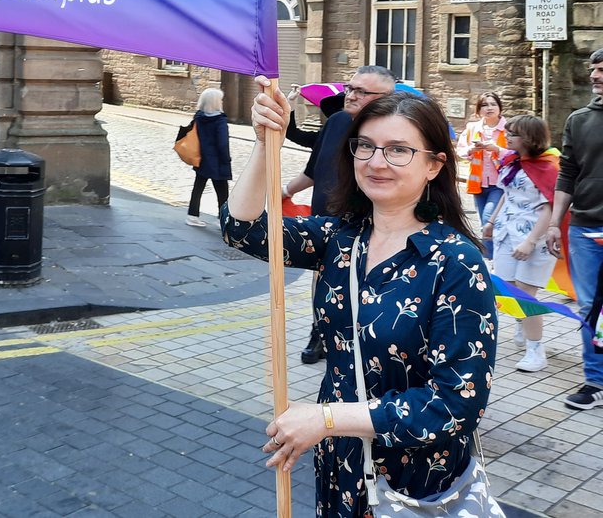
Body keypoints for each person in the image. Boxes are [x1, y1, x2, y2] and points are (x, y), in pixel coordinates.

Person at [225, 78, 496, 516]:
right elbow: (244, 230)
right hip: (339, 463)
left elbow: (455, 404)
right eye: (365, 146)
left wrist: (325, 419)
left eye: (398, 149)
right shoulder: (340, 237)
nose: (376, 161)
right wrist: (264, 145)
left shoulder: (455, 262)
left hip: (412, 480)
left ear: (433, 165)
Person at [284, 66, 397, 364]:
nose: (351, 95)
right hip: (325, 222)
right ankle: (319, 332)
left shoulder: (394, 132)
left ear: (386, 97)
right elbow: (313, 170)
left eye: (362, 91)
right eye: (350, 88)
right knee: (322, 282)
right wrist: (285, 190)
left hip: (368, 224)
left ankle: (359, 342)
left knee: (362, 287)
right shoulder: (335, 122)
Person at [546, 48, 603, 409]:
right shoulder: (578, 120)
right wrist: (555, 222)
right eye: (593, 70)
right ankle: (595, 381)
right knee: (590, 308)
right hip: (584, 229)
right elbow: (568, 172)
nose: (596, 76)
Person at [484, 114, 559, 372]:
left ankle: (536, 352)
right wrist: (492, 222)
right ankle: (523, 324)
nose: (507, 136)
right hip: (506, 233)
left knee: (527, 296)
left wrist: (530, 241)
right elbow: (506, 194)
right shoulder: (511, 161)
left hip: (534, 240)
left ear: (529, 137)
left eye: (513, 133)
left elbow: (550, 208)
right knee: (507, 287)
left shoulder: (548, 167)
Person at [456, 92, 507, 255]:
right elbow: (461, 151)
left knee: (488, 220)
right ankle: (493, 255)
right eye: (484, 105)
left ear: (500, 108)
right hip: (478, 183)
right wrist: (471, 149)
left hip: (500, 184)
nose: (489, 108)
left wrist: (496, 150)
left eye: (493, 104)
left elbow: (516, 153)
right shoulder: (473, 128)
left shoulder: (508, 129)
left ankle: (490, 258)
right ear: (478, 110)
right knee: (483, 222)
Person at [185, 87, 232, 226]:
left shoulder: (199, 117)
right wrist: (226, 160)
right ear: (216, 102)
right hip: (217, 161)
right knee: (222, 191)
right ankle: (222, 220)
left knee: (198, 188)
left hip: (202, 158)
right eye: (221, 100)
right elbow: (223, 144)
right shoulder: (220, 121)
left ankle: (192, 216)